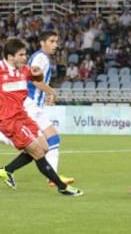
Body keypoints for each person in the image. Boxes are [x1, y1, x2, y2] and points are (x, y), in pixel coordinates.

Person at [0, 37, 83, 196]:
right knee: (37, 151)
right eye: (21, 55)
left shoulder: (24, 69)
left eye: (25, 54)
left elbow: (36, 79)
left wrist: (38, 74)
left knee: (44, 148)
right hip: (9, 121)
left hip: (23, 116)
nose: (25, 58)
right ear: (10, 57)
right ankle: (62, 187)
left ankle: (7, 170)